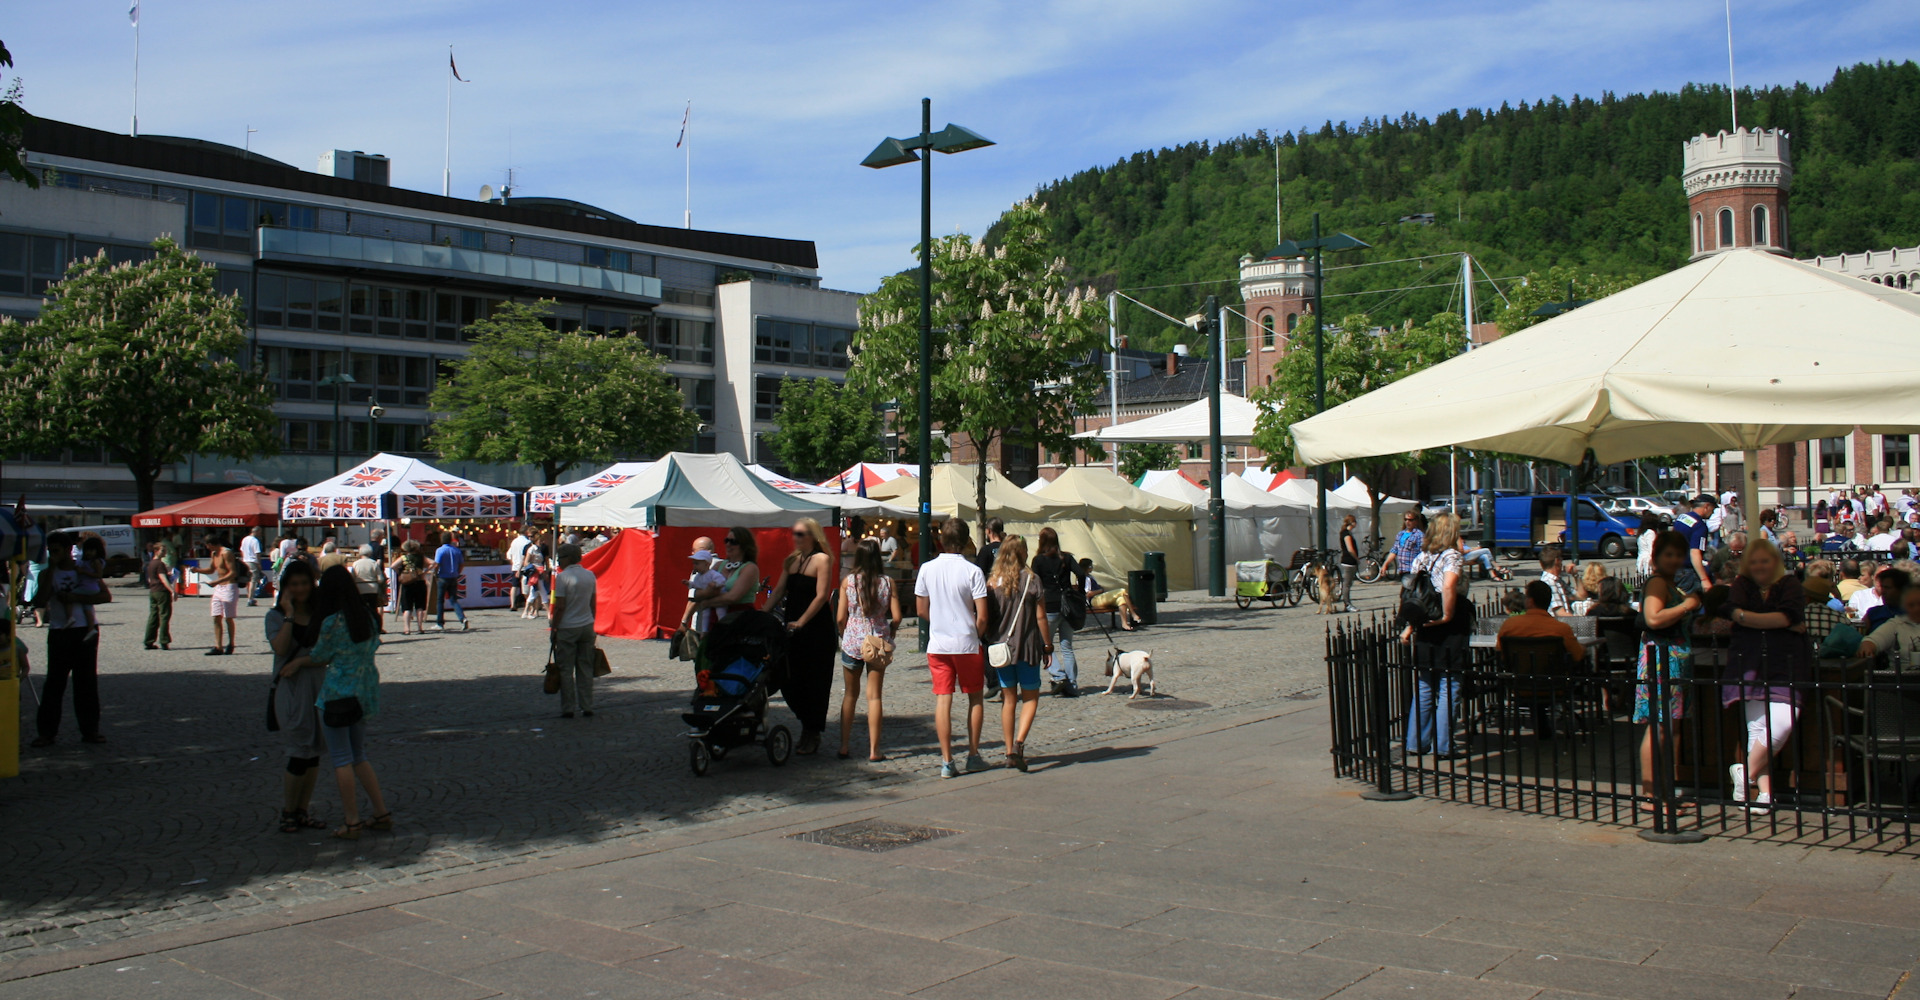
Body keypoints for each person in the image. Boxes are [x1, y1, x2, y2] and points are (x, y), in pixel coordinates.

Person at [295, 565, 390, 841]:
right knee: (359, 755)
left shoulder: (332, 622)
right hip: (364, 691)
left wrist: (298, 662)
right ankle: (381, 812)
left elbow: (320, 656)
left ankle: (352, 820)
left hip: (337, 693)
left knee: (341, 759)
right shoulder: (368, 617)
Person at [1719, 538, 1811, 812]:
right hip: (1749, 661)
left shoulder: (1789, 584)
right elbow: (1781, 620)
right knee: (1758, 730)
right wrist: (1777, 621)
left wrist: (1745, 617)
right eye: (1755, 561)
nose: (1760, 566)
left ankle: (1743, 773)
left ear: (1775, 561)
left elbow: (1789, 615)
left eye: (1765, 560)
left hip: (1785, 664)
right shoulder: (1741, 585)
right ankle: (1765, 794)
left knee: (1781, 724)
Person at [916, 517, 989, 778]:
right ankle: (973, 754)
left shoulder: (927, 569)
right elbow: (982, 615)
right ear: (966, 540)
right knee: (975, 697)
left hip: (939, 643)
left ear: (941, 541)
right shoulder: (973, 571)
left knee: (943, 699)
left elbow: (921, 609)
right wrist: (974, 633)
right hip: (967, 643)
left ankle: (947, 760)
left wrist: (939, 623)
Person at [1636, 530, 1702, 813]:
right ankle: (1652, 796)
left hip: (1672, 663)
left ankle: (1664, 792)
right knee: (1659, 729)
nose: (1674, 560)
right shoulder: (1657, 583)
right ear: (1656, 557)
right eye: (1668, 554)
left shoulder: (1671, 583)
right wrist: (1688, 605)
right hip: (1660, 661)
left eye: (1678, 554)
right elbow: (1653, 617)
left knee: (1667, 729)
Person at [1399, 512, 1472, 757]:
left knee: (1425, 685)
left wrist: (1411, 625)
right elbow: (1449, 585)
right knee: (1448, 685)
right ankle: (1443, 745)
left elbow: (1413, 593)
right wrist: (1448, 615)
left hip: (1424, 624)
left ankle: (1416, 742)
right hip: (1447, 626)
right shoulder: (1452, 556)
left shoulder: (1421, 557)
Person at [266, 561, 328, 834]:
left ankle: (302, 810)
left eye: (305, 583)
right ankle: (288, 812)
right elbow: (280, 647)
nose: (300, 588)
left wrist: (303, 661)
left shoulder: (320, 614)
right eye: (295, 584)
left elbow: (328, 653)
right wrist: (289, 614)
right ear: (286, 588)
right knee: (298, 751)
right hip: (290, 691)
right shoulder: (275, 616)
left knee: (313, 752)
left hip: (317, 686)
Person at [765, 518, 836, 754]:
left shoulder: (822, 559)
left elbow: (821, 596)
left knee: (815, 682)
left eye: (801, 534)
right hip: (792, 627)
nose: (796, 538)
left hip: (816, 629)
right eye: (794, 533)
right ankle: (807, 724)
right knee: (789, 679)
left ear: (813, 536)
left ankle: (812, 731)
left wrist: (802, 622)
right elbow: (778, 591)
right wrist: (762, 614)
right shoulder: (792, 560)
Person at [30, 545, 112, 746]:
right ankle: (47, 732)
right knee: (54, 683)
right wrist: (50, 570)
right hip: (59, 630)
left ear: (68, 550)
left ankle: (90, 730)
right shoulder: (49, 573)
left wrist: (76, 598)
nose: (55, 554)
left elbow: (105, 596)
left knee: (86, 683)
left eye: (58, 550)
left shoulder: (83, 568)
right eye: (52, 550)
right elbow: (39, 599)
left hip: (85, 629)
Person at [985, 535, 1050, 772]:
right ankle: (1020, 742)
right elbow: (1041, 617)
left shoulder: (993, 582)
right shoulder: (1033, 580)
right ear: (1023, 553)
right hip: (1028, 647)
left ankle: (1008, 749)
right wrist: (1048, 645)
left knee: (1008, 699)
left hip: (1002, 649)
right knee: (1031, 697)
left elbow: (988, 616)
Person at [835, 538, 900, 762]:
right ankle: (874, 750)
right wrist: (891, 631)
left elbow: (840, 617)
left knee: (850, 695)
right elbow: (898, 616)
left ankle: (844, 746)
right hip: (878, 642)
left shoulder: (848, 582)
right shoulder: (887, 582)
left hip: (853, 641)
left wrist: (845, 634)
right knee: (874, 697)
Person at [1497, 580, 1585, 737]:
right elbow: (1578, 656)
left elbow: (1501, 654)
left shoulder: (1510, 625)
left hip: (1520, 684)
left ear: (1530, 601)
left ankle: (1541, 724)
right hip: (1554, 686)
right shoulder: (1561, 628)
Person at [1030, 527, 1088, 695]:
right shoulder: (1067, 557)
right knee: (1067, 646)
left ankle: (1058, 674)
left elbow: (1034, 583)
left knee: (1043, 644)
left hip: (1049, 606)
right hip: (1068, 606)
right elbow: (1081, 574)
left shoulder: (1038, 560)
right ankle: (1072, 685)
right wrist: (1081, 592)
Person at [548, 542, 600, 720]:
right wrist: (592, 622)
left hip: (568, 627)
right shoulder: (590, 575)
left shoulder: (563, 578)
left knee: (565, 669)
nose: (558, 562)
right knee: (585, 668)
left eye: (560, 558)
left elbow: (560, 607)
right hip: (586, 625)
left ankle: (568, 707)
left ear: (568, 558)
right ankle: (587, 705)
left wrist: (554, 627)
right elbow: (593, 604)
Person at [692, 528, 763, 624]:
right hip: (715, 619)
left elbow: (733, 597)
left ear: (744, 545)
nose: (728, 544)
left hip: (740, 619)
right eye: (726, 541)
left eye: (733, 542)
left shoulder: (750, 568)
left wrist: (707, 602)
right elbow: (697, 593)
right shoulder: (719, 565)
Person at [674, 538, 727, 636]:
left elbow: (694, 599)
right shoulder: (724, 564)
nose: (692, 552)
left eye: (695, 550)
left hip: (701, 620)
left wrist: (684, 622)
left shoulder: (701, 568)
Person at [1857, 583, 1920, 665]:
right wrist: (1867, 648)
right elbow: (1872, 640)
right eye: (1911, 605)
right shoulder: (1896, 624)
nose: (1916, 609)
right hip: (1901, 675)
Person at [1082, 558, 1144, 630]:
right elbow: (1088, 594)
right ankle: (1133, 614)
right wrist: (1100, 590)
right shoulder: (1084, 578)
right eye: (1091, 566)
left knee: (1121, 600)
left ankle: (1124, 624)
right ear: (1087, 567)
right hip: (1094, 600)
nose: (1092, 568)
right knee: (1122, 591)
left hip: (1099, 597)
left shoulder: (1090, 577)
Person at [202, 536, 239, 656]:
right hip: (219, 588)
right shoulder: (214, 554)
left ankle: (231, 643)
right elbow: (211, 569)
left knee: (228, 618)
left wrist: (215, 582)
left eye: (207, 545)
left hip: (229, 587)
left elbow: (233, 572)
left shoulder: (226, 553)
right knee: (216, 616)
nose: (206, 548)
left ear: (210, 544)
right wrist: (197, 570)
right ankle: (218, 646)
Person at [1672, 495, 1716, 590]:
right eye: (1712, 509)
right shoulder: (1700, 526)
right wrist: (1704, 579)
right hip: (1687, 572)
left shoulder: (1682, 518)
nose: (1713, 512)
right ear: (1706, 506)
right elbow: (1695, 553)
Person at [141, 541, 176, 650]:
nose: (164, 552)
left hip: (153, 591)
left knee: (153, 616)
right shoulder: (160, 564)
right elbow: (163, 578)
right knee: (164, 616)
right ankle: (164, 640)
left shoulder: (151, 563)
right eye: (162, 550)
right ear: (156, 551)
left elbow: (150, 578)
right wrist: (172, 590)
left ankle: (148, 640)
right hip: (161, 591)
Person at [391, 540, 430, 634]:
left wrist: (400, 573)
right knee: (420, 606)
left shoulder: (404, 558)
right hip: (420, 582)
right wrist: (424, 572)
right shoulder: (421, 557)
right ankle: (420, 627)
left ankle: (407, 629)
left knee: (407, 607)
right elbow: (433, 563)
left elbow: (393, 566)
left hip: (407, 583)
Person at [432, 531, 469, 631]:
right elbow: (461, 564)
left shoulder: (440, 550)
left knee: (440, 601)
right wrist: (457, 572)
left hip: (443, 577)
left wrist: (435, 573)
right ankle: (462, 618)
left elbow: (437, 564)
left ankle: (440, 623)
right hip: (453, 577)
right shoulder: (456, 550)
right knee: (453, 600)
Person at [350, 544, 385, 632]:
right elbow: (380, 579)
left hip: (360, 588)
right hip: (373, 588)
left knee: (361, 609)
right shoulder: (373, 563)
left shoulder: (355, 564)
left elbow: (352, 577)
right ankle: (375, 627)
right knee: (373, 609)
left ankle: (363, 627)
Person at [1537, 545, 1574, 616]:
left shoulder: (1557, 580)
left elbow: (1580, 596)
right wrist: (1582, 623)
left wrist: (1575, 575)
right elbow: (1560, 613)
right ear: (1557, 561)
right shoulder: (1550, 582)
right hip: (1560, 624)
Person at [520, 534, 550, 619]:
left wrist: (545, 571)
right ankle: (548, 612)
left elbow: (545, 561)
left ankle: (526, 611)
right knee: (542, 591)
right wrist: (534, 568)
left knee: (533, 593)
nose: (542, 542)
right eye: (540, 540)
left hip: (540, 572)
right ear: (536, 541)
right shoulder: (531, 549)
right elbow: (526, 562)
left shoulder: (541, 550)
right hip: (535, 573)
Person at [506, 526, 533, 611]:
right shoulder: (528, 542)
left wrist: (513, 563)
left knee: (514, 586)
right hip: (525, 567)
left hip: (515, 566)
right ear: (526, 532)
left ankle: (513, 604)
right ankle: (529, 605)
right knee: (526, 588)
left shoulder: (514, 542)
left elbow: (508, 555)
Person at [1337, 514, 1361, 613]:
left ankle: (1347, 603)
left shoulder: (1347, 533)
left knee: (1348, 584)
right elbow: (1350, 549)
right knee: (1346, 584)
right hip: (1348, 561)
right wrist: (1356, 558)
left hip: (1349, 561)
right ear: (1352, 522)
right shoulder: (1346, 534)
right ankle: (1347, 604)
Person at [1391, 511, 1427, 575]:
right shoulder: (1400, 534)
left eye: (1410, 520)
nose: (1407, 522)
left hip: (1413, 569)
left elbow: (1423, 553)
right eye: (1406, 519)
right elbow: (1394, 550)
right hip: (1402, 569)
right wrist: (1385, 564)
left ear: (1416, 521)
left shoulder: (1419, 535)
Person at [241, 526, 266, 607]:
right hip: (253, 561)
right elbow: (257, 553)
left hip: (245, 561)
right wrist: (259, 564)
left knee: (248, 580)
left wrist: (244, 558)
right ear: (257, 531)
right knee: (253, 581)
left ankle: (249, 596)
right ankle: (250, 599)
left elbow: (241, 550)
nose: (260, 534)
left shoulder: (245, 539)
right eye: (260, 532)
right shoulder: (255, 541)